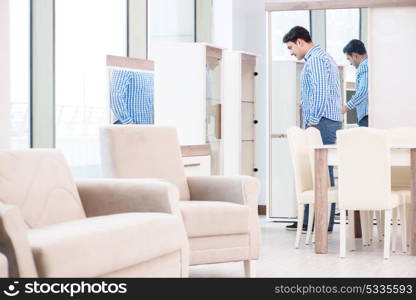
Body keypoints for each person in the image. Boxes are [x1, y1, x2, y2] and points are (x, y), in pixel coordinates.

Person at [283, 26, 342, 232]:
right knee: (320, 171)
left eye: (291, 47)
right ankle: (314, 220)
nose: (291, 52)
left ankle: (319, 222)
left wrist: (312, 121)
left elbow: (320, 92)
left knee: (320, 171)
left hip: (322, 122)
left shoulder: (316, 60)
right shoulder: (323, 57)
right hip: (325, 121)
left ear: (300, 42)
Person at [342, 39, 368, 127]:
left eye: (349, 59)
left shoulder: (364, 66)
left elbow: (363, 91)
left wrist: (346, 107)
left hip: (366, 117)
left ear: (355, 56)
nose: (350, 63)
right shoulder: (370, 64)